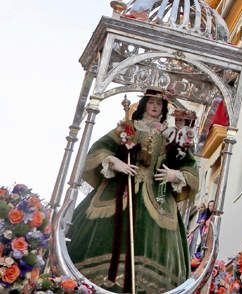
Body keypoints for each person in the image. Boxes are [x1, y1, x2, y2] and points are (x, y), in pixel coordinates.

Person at [67, 90, 198, 293]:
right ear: (144, 104)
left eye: (159, 104)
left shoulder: (171, 135)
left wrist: (175, 175)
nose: (155, 107)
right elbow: (99, 149)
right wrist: (114, 161)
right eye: (151, 102)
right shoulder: (127, 127)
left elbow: (189, 165)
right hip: (120, 189)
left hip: (159, 193)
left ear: (164, 109)